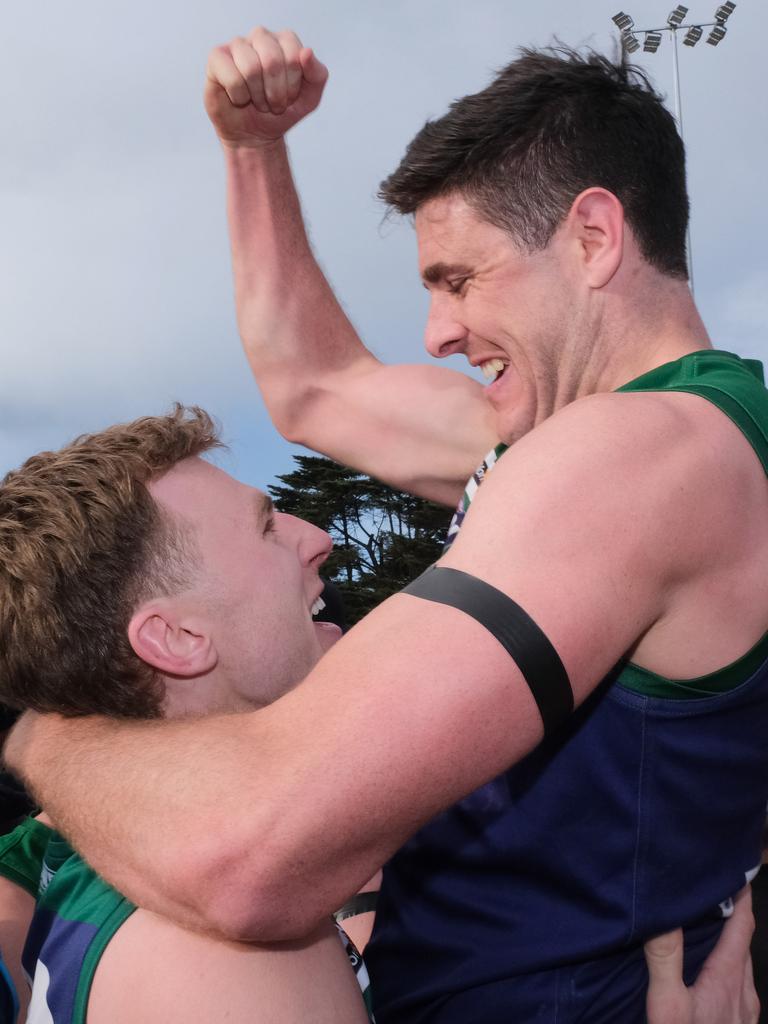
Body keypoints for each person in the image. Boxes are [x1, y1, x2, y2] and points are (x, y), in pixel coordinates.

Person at [5, 26, 766, 1024]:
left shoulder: (641, 456)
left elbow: (254, 857)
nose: (438, 332)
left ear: (593, 237)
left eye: (457, 278)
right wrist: (253, 151)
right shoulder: (570, 437)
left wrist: (41, 742)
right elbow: (315, 386)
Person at [0, 406, 373, 1023]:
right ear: (175, 637)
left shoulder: (119, 866)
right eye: (266, 530)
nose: (317, 538)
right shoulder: (227, 947)